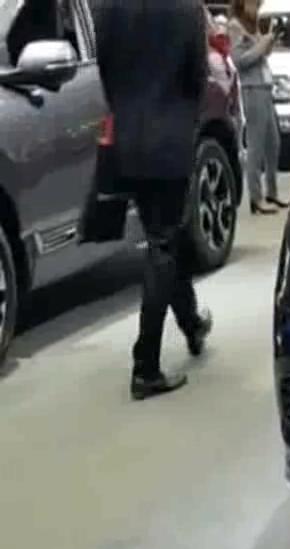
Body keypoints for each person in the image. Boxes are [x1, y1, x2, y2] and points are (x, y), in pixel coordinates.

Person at [92, 0, 213, 400]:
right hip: (170, 138)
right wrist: (185, 120)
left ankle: (192, 323)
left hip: (129, 138)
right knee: (164, 243)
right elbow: (197, 76)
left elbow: (105, 69)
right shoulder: (186, 8)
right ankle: (145, 366)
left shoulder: (108, 6)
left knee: (165, 237)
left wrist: (128, 112)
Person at [228, 0, 286, 215]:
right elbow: (240, 60)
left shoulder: (252, 25)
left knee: (273, 143)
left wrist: (270, 40)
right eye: (253, 4)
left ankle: (272, 191)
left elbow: (262, 55)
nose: (256, 9)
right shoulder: (235, 26)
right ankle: (256, 197)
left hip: (265, 85)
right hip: (252, 88)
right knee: (256, 144)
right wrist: (263, 45)